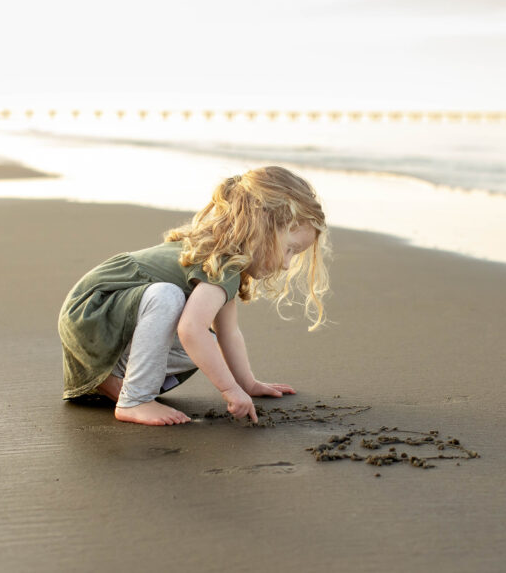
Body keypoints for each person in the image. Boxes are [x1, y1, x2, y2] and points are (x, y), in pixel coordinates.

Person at [58, 165, 331, 426]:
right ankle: (135, 399)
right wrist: (230, 390)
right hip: (94, 312)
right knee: (173, 303)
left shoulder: (226, 265)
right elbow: (190, 329)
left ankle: (115, 382)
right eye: (290, 250)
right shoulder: (220, 262)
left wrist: (246, 384)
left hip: (104, 324)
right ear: (263, 229)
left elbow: (229, 334)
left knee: (207, 344)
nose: (286, 264)